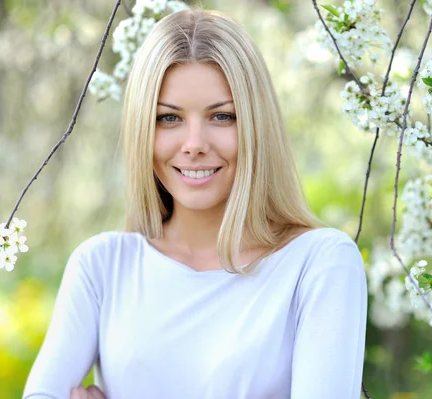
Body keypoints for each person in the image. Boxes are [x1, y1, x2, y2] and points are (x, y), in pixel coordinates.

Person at [23, 7, 367, 399]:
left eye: (222, 117)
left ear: (256, 125)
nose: (194, 144)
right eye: (169, 119)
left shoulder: (319, 263)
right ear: (142, 130)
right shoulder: (102, 266)